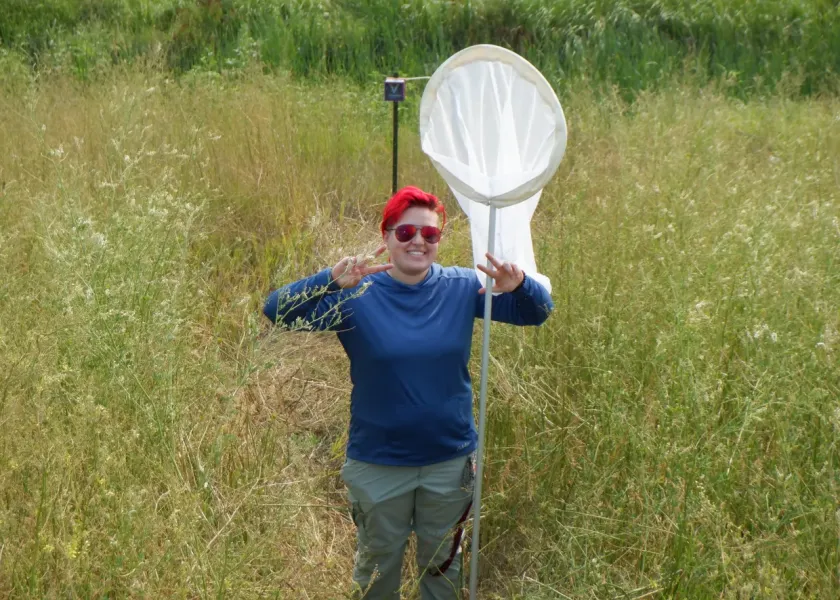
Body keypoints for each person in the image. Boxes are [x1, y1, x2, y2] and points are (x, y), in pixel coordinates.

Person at [263, 186, 554, 599]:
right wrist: (329, 280)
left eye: (430, 235)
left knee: (442, 573)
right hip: (379, 464)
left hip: (449, 463)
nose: (418, 241)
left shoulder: (462, 286)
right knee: (377, 574)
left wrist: (520, 283)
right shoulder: (355, 294)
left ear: (438, 241)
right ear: (386, 237)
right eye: (406, 233)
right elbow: (277, 311)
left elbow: (537, 313)